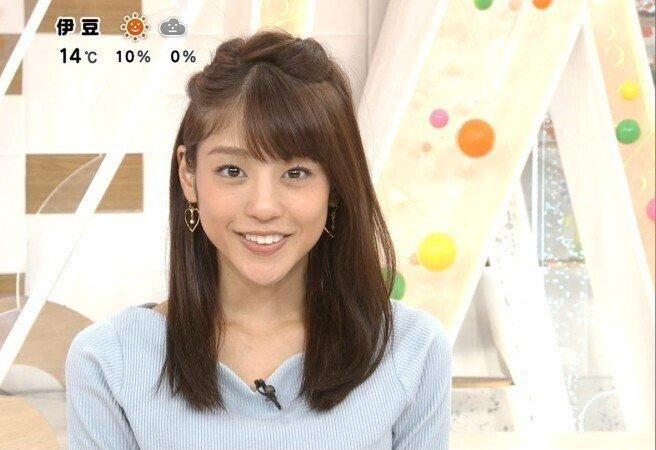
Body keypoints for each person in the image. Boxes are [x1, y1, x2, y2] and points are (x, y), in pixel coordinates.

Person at [66, 29, 451, 449]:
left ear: (335, 186)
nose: (264, 207)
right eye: (232, 171)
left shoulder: (413, 350)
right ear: (189, 175)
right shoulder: (109, 361)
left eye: (296, 172)